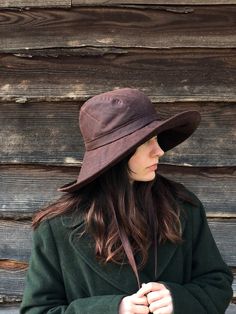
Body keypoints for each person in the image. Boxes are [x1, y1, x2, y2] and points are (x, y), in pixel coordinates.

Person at [20, 88, 233, 314]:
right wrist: (113, 309)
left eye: (156, 138)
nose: (159, 150)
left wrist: (179, 300)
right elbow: (37, 311)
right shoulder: (57, 227)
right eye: (147, 141)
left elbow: (217, 283)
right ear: (119, 154)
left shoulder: (183, 207)